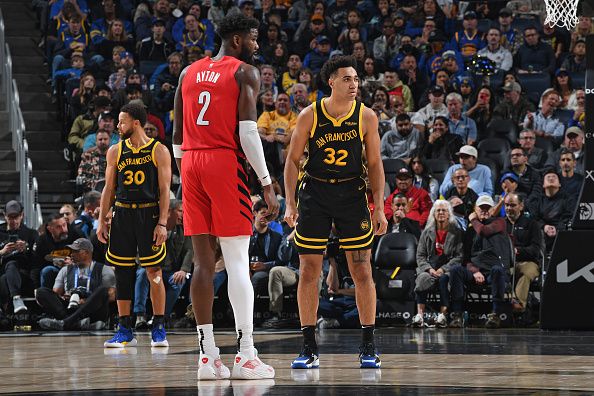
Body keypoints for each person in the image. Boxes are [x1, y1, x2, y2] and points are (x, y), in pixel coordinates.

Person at [171, 13, 278, 380]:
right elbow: (248, 132)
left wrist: (187, 175)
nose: (257, 44)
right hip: (221, 160)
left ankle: (207, 358)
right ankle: (246, 355)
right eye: (253, 37)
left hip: (190, 164)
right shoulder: (243, 72)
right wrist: (265, 182)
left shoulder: (187, 72)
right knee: (236, 262)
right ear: (236, 40)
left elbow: (175, 136)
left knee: (203, 263)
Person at [284, 55, 388, 369]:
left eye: (356, 79)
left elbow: (374, 164)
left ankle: (368, 344)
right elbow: (291, 161)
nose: (354, 84)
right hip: (315, 193)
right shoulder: (309, 115)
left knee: (363, 271)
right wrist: (290, 203)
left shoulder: (366, 116)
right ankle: (308, 346)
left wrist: (380, 206)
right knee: (308, 271)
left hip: (352, 194)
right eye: (347, 79)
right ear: (331, 81)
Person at [97, 103, 171, 348]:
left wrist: (162, 222)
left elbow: (164, 191)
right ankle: (124, 328)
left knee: (154, 272)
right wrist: (102, 219)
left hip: (149, 215)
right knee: (123, 273)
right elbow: (108, 189)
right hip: (123, 215)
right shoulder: (115, 151)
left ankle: (158, 325)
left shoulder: (158, 150)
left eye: (122, 121)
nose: (118, 126)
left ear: (136, 123)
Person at [36, 238, 116, 330]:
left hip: (92, 310)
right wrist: (67, 297)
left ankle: (66, 323)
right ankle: (76, 323)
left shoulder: (104, 269)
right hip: (70, 307)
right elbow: (56, 294)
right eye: (72, 251)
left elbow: (111, 296)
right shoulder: (65, 269)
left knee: (104, 290)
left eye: (76, 251)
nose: (72, 254)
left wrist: (86, 301)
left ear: (87, 252)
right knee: (41, 292)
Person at [412, 200, 463, 328]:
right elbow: (420, 256)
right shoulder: (426, 232)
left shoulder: (456, 232)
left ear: (449, 214)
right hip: (430, 267)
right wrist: (429, 269)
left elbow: (459, 256)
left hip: (447, 268)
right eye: (438, 210)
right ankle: (420, 316)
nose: (440, 213)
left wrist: (443, 269)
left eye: (444, 210)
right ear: (433, 214)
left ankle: (442, 315)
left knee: (444, 279)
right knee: (422, 278)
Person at [0, 201, 39, 314]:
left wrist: (27, 249)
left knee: (12, 265)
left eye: (16, 217)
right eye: (10, 217)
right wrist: (2, 252)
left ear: (21, 215)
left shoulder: (31, 234)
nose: (13, 221)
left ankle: (12, 303)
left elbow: (36, 261)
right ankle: (16, 300)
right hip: (3, 274)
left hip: (23, 276)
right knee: (6, 274)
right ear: (4, 215)